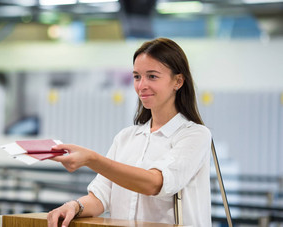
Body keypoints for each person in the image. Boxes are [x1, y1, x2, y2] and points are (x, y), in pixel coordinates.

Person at [47, 37, 211, 227]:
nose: (141, 86)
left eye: (152, 76)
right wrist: (74, 206)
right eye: (137, 76)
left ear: (178, 81)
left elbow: (155, 183)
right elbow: (100, 197)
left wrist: (92, 159)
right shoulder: (126, 138)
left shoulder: (195, 135)